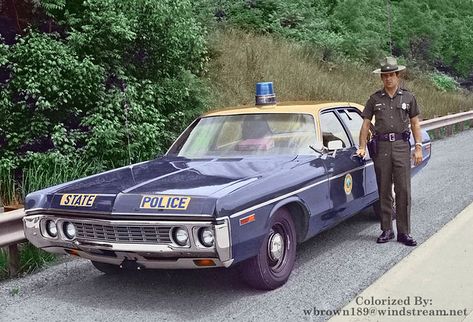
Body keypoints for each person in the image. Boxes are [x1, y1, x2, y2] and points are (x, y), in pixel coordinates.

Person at [356, 57, 423, 246]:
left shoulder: (408, 97)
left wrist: (418, 146)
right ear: (382, 78)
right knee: (384, 189)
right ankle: (387, 230)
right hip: (382, 147)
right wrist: (362, 147)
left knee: (403, 190)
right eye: (384, 76)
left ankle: (404, 232)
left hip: (402, 146)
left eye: (391, 75)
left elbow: (415, 123)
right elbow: (365, 124)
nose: (388, 79)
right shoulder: (375, 99)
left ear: (398, 75)